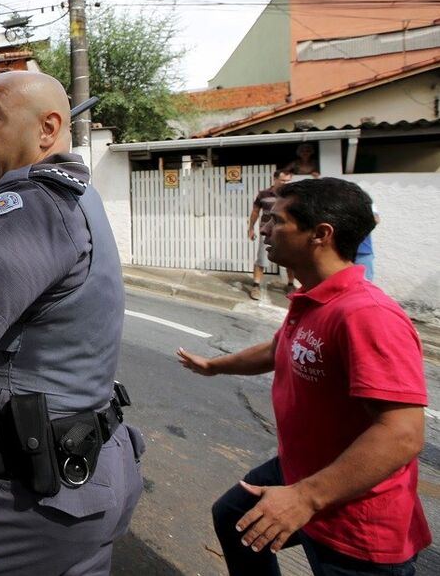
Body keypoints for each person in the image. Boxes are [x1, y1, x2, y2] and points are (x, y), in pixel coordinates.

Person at [0, 71, 144, 575]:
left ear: (48, 129)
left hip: (24, 491)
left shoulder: (28, 201)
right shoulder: (75, 195)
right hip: (86, 474)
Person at [178, 177, 430, 576]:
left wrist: (306, 498)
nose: (263, 228)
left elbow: (402, 433)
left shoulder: (367, 315)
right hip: (300, 473)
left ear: (321, 234)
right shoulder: (314, 298)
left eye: (277, 221)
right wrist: (215, 366)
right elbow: (280, 349)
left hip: (354, 521)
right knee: (234, 519)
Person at [247, 168, 295, 300]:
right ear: (275, 179)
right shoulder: (263, 194)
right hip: (267, 232)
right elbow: (255, 211)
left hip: (286, 232)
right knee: (262, 259)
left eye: (288, 181)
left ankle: (290, 285)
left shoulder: (292, 195)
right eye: (283, 180)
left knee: (290, 261)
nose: (286, 183)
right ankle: (256, 286)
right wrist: (251, 228)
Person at [354, 203, 380, 281]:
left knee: (364, 282)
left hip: (362, 252)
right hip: (340, 251)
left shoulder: (365, 201)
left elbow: (376, 220)